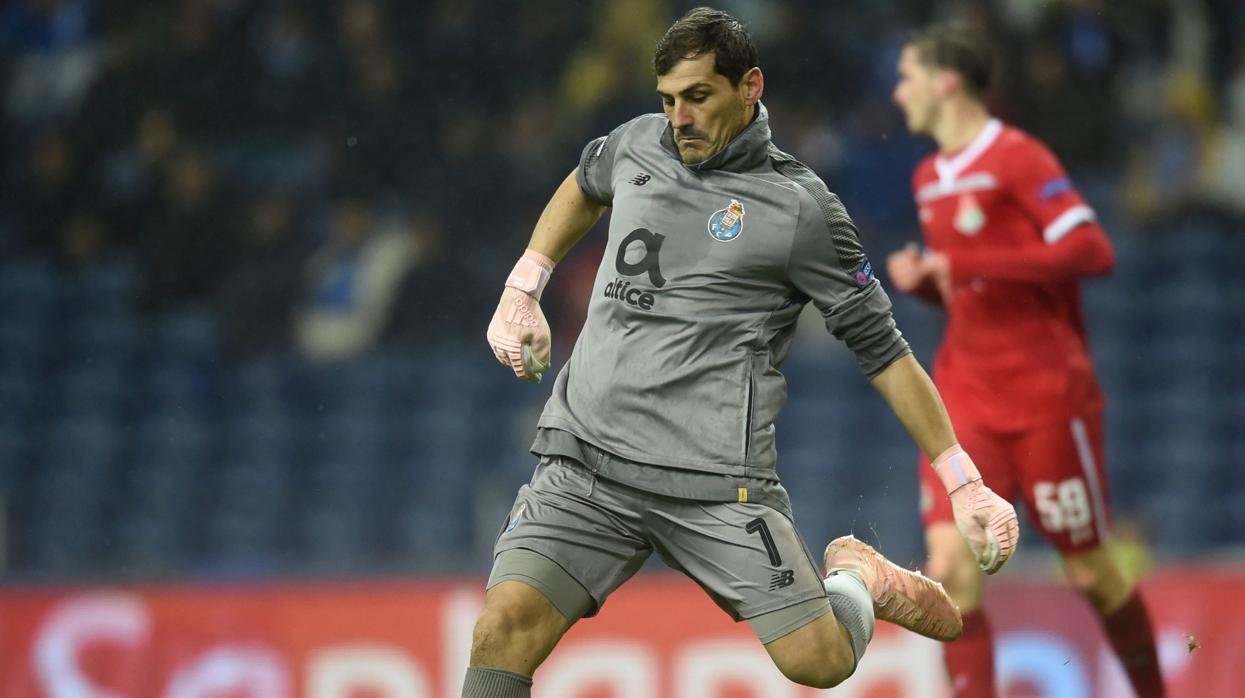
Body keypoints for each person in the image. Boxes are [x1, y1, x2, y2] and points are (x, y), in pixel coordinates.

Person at [464, 8, 1020, 696]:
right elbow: (585, 182)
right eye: (668, 100)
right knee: (501, 629)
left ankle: (855, 578)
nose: (679, 118)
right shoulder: (637, 145)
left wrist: (961, 480)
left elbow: (882, 350)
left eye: (698, 97)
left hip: (714, 488)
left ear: (749, 86)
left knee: (818, 662)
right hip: (585, 467)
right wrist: (526, 284)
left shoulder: (800, 210)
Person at [887, 23, 1165, 698]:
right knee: (951, 570)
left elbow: (1091, 251)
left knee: (1089, 574)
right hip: (967, 394)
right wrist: (928, 282)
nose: (897, 94)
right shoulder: (928, 176)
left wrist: (964, 263)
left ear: (945, 81)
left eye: (907, 77)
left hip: (1045, 395)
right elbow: (975, 292)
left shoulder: (1018, 158)